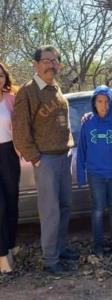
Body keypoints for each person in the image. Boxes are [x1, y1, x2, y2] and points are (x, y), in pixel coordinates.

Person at [12, 45, 79, 274]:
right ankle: (50, 260)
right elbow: (20, 131)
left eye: (54, 60)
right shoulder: (28, 92)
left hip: (64, 156)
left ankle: (60, 249)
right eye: (46, 60)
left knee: (65, 207)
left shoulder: (56, 88)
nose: (51, 64)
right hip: (47, 160)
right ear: (36, 64)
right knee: (50, 212)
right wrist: (36, 158)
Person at [77, 85, 112, 257]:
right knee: (98, 210)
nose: (104, 105)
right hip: (96, 175)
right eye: (100, 101)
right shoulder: (87, 124)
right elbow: (81, 150)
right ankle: (98, 245)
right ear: (94, 103)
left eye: (107, 101)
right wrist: (80, 175)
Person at [0, 63, 20, 273]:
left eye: (1, 75)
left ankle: (11, 244)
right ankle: (2, 255)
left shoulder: (11, 99)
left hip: (9, 155)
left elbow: (21, 125)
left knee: (12, 204)